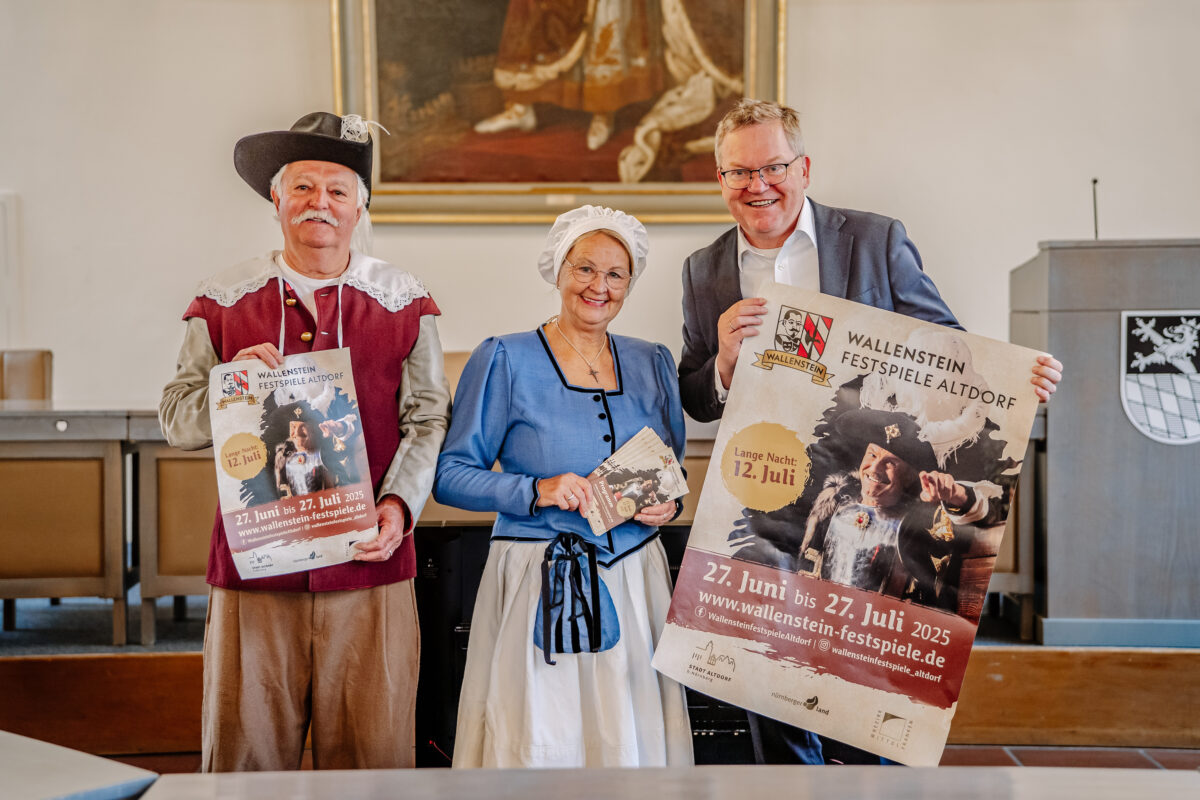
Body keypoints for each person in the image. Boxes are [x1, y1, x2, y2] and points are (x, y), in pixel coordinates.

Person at [677, 98, 1063, 766]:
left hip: (875, 484)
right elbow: (695, 396)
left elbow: (945, 345)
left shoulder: (875, 240)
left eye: (772, 166)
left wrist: (1014, 380)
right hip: (764, 491)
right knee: (767, 672)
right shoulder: (703, 269)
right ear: (720, 179)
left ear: (803, 168)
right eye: (738, 172)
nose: (756, 184)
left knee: (866, 676)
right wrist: (722, 360)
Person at [159, 111, 451, 772]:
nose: (321, 203)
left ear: (360, 206)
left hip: (370, 566)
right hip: (254, 571)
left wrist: (399, 508)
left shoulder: (407, 303)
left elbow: (428, 419)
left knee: (373, 763)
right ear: (276, 199)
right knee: (245, 763)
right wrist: (232, 387)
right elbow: (176, 419)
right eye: (304, 188)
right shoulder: (222, 302)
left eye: (338, 190)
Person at [434, 205, 692, 768]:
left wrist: (668, 505)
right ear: (559, 271)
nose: (599, 286)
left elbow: (674, 469)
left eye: (615, 274)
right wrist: (536, 490)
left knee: (628, 734)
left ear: (630, 283)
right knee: (542, 732)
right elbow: (450, 476)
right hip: (538, 575)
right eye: (585, 269)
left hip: (634, 577)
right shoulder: (504, 357)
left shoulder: (654, 362)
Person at [798, 409, 1003, 611]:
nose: (875, 468)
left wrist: (954, 494)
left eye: (891, 463)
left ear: (909, 476)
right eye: (872, 454)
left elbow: (984, 516)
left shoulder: (919, 524)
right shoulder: (833, 503)